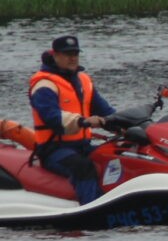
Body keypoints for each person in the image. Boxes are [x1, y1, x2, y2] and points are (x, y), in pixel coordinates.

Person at [29, 35, 116, 204]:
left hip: (82, 146)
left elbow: (105, 110)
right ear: (55, 56)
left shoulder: (83, 80)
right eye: (67, 54)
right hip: (54, 150)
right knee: (83, 167)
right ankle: (91, 210)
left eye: (75, 53)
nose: (73, 57)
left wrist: (125, 123)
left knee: (116, 156)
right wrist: (82, 121)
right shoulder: (44, 85)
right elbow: (52, 117)